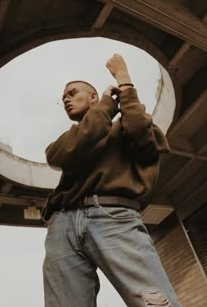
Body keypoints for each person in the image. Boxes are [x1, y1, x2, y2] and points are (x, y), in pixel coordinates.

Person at [42, 54, 181, 307]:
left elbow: (140, 135)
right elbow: (59, 154)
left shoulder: (122, 128)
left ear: (93, 97)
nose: (66, 100)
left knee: (155, 303)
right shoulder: (70, 138)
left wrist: (124, 81)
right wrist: (106, 106)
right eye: (63, 98)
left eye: (72, 93)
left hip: (112, 215)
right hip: (62, 226)